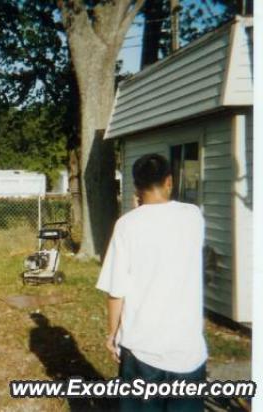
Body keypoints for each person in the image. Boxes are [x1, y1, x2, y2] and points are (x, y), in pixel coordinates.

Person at [97, 153, 207, 411]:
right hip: (187, 348)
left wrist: (112, 335)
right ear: (169, 181)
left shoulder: (127, 226)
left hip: (142, 349)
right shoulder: (193, 216)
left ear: (136, 186)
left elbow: (116, 291)